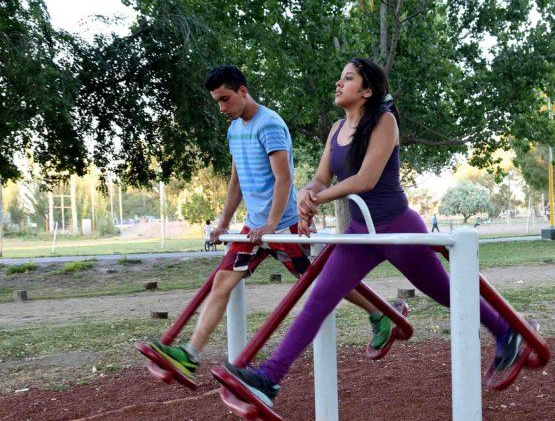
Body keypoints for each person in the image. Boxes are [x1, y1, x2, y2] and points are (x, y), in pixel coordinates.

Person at [222, 58, 523, 408]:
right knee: (319, 298)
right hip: (359, 233)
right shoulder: (336, 129)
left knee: (446, 292)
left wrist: (317, 197)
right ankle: (269, 379)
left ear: (366, 90)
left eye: (347, 79)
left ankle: (506, 332)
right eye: (339, 78)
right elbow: (322, 178)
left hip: (397, 228)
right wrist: (306, 194)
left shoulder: (384, 121)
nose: (338, 83)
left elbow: (366, 179)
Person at [144, 65, 393, 381]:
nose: (221, 108)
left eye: (225, 99)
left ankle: (380, 312)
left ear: (243, 92)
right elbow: (237, 181)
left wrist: (273, 225)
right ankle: (190, 356)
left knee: (322, 280)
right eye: (216, 101)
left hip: (283, 226)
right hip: (253, 228)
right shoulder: (235, 129)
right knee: (223, 281)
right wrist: (223, 223)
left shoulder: (270, 125)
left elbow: (284, 179)